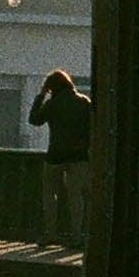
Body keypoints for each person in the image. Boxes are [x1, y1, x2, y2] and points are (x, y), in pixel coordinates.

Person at [28, 70, 92, 247]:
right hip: (79, 156)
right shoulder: (84, 102)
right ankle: (77, 236)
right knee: (76, 196)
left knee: (50, 193)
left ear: (51, 88)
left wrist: (41, 96)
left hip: (55, 155)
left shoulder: (52, 104)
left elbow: (34, 120)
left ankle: (51, 233)